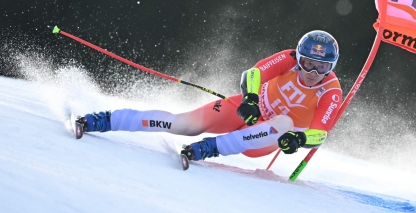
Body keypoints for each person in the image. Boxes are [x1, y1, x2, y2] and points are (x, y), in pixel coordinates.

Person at [76, 30, 342, 161]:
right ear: (300, 58)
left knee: (285, 123)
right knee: (184, 124)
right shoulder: (288, 58)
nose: (313, 72)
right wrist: (250, 99)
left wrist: (297, 139)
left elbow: (320, 133)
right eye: (308, 63)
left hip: (266, 137)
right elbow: (254, 74)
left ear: (331, 67)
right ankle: (106, 120)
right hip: (247, 110)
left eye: (323, 67)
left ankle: (210, 149)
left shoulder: (330, 92)